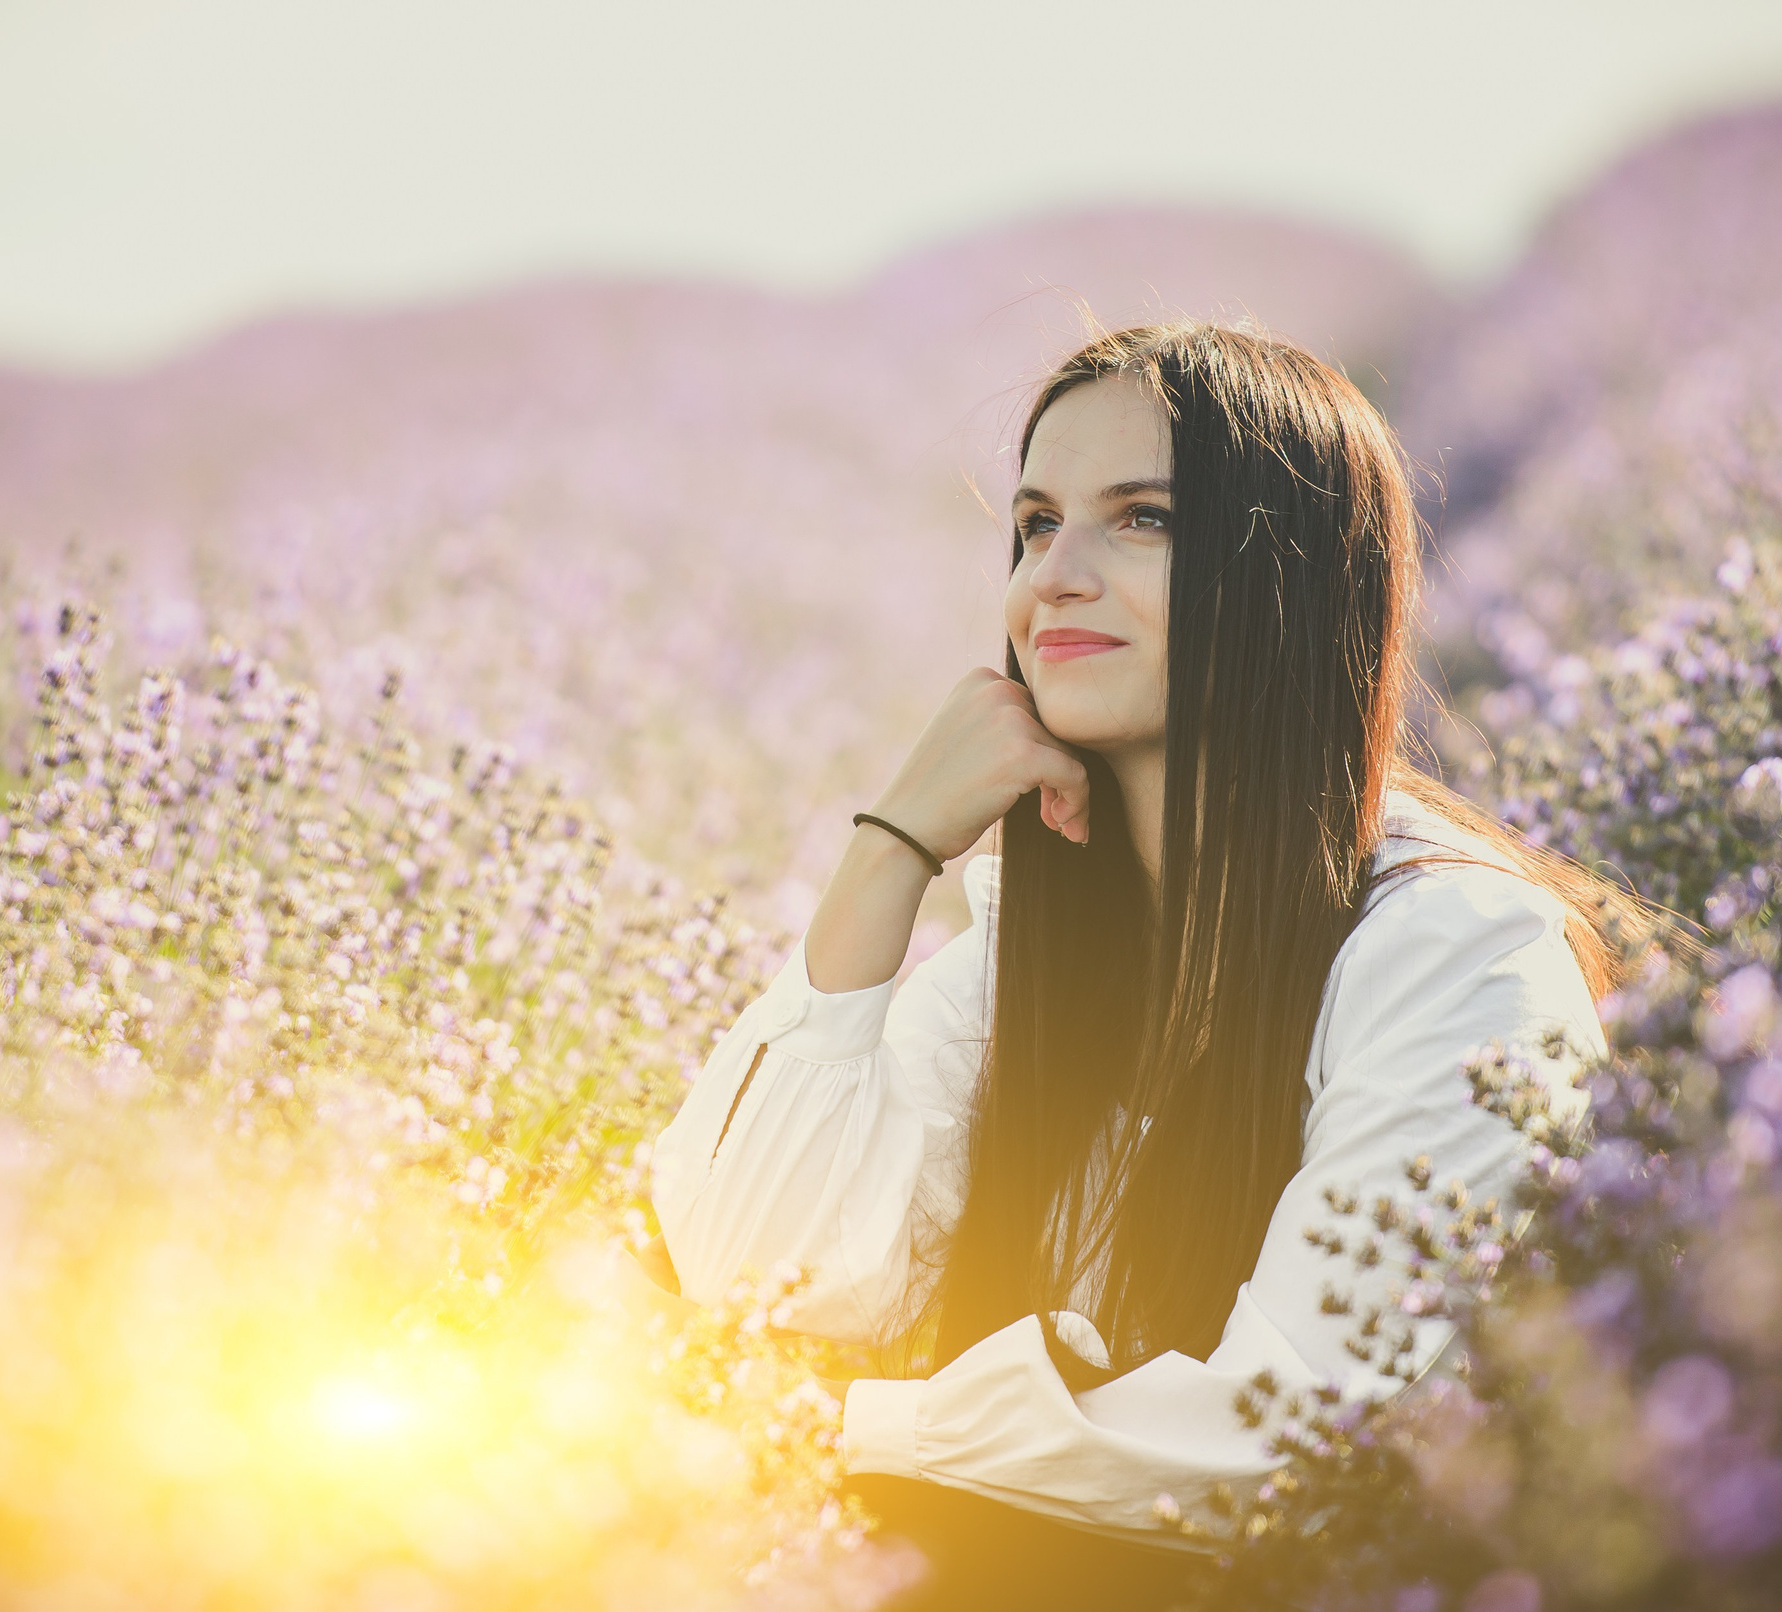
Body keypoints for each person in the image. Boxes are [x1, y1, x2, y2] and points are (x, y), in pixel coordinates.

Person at [649, 323, 1640, 1609]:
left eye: (1142, 521)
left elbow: (1296, 1431)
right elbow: (756, 1262)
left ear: (1287, 580)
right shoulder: (1054, 940)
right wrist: (889, 854)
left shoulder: (1453, 950)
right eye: (1034, 524)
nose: (1052, 578)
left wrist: (840, 1435)